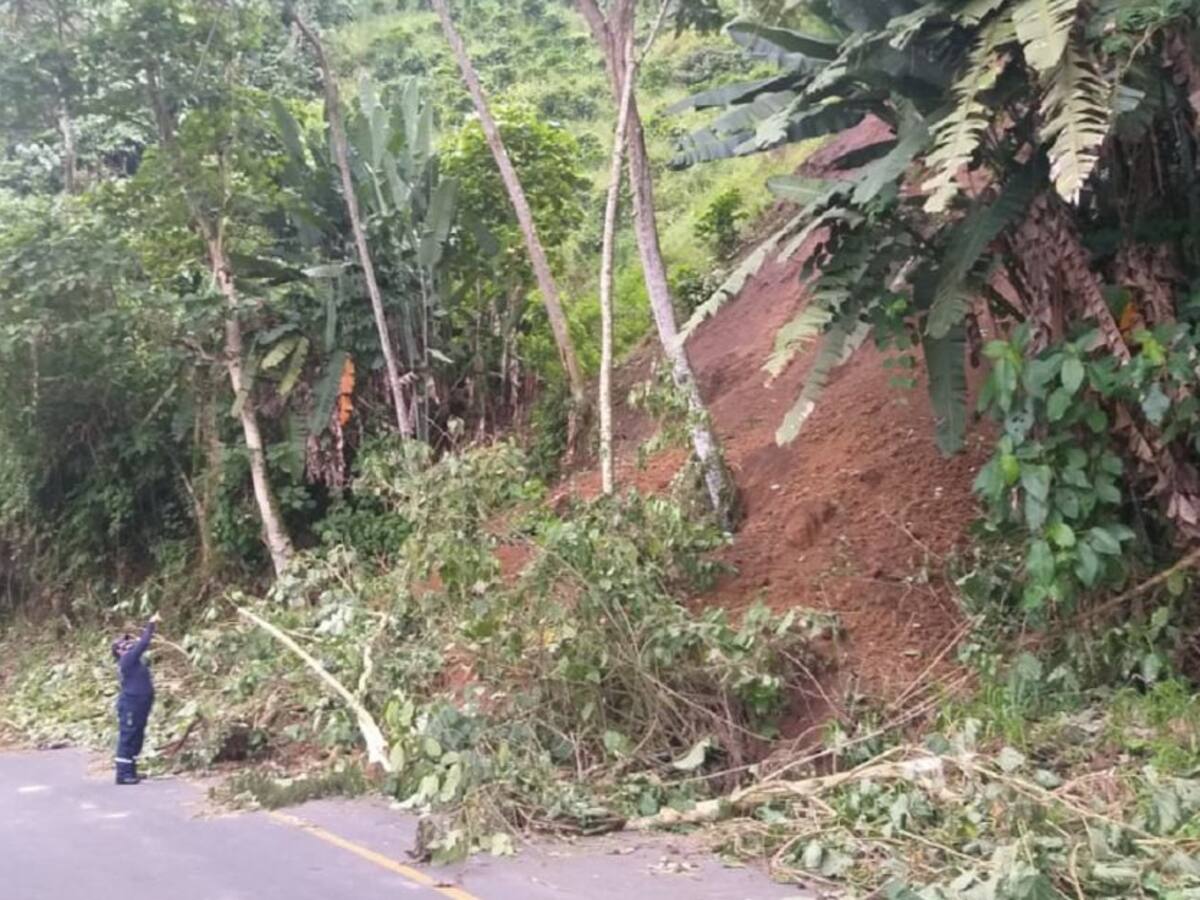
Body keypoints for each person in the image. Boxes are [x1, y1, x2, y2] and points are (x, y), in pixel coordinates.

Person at [110, 612, 160, 785]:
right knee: (128, 736)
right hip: (131, 704)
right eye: (125, 644)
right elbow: (144, 643)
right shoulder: (127, 660)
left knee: (137, 736)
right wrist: (151, 624)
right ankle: (123, 774)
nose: (129, 644)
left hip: (140, 703)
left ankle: (131, 771)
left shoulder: (135, 662)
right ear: (119, 650)